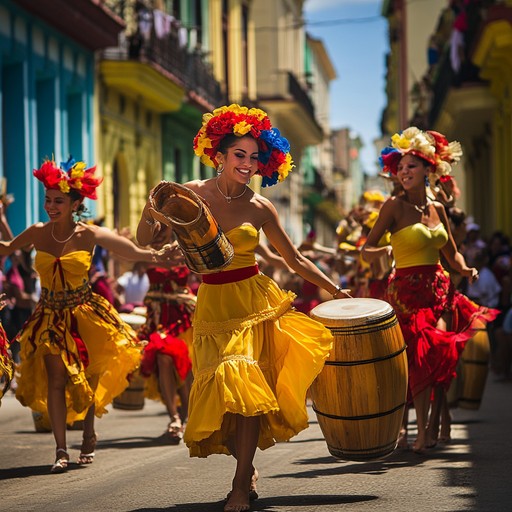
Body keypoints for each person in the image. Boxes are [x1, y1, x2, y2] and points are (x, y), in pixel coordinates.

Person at [137, 104, 343, 512]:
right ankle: (245, 467)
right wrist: (150, 210)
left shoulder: (260, 207)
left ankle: (237, 483)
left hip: (254, 303)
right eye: (239, 155)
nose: (248, 164)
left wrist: (335, 288)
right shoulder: (189, 195)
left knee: (243, 377)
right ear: (219, 155)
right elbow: (147, 241)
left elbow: (295, 260)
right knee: (230, 395)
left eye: (254, 157)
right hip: (212, 306)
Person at [0, 156, 180, 473]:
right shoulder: (37, 233)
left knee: (89, 375)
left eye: (58, 201)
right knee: (56, 378)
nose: (51, 206)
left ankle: (88, 430)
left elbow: (134, 252)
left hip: (86, 314)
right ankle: (59, 448)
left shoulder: (89, 234)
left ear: (74, 203)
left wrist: (161, 255)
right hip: (49, 317)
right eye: (47, 200)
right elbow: (4, 248)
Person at [362, 127, 499, 454]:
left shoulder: (438, 207)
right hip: (406, 296)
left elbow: (452, 254)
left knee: (439, 355)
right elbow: (367, 248)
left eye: (412, 166)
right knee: (418, 361)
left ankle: (436, 420)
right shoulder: (392, 207)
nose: (404, 172)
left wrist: (465, 269)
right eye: (401, 167)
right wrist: (382, 252)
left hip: (440, 290)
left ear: (428, 170)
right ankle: (418, 431)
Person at [137, 224, 195, 444]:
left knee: (186, 369)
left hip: (184, 318)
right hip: (159, 320)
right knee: (162, 359)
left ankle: (187, 415)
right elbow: (119, 254)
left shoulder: (185, 248)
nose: (160, 232)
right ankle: (173, 418)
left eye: (164, 227)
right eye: (155, 227)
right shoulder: (145, 251)